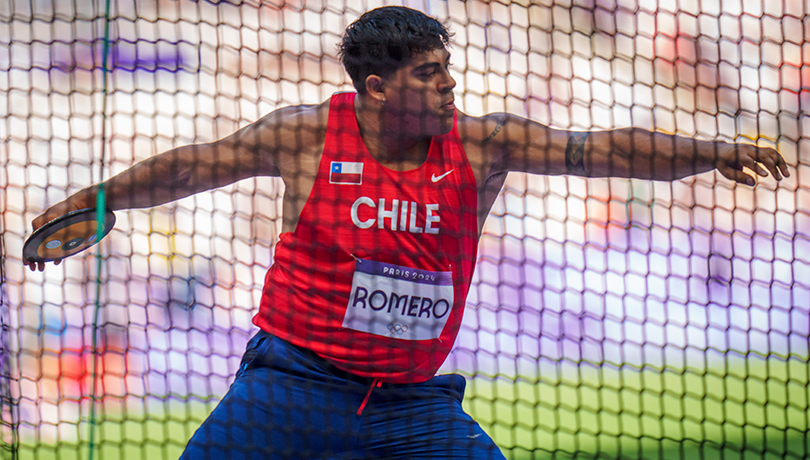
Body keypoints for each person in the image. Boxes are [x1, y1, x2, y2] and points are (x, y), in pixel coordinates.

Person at [28, 6, 789, 459]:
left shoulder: (483, 143)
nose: (449, 83)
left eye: (448, 69)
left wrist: (713, 152)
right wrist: (104, 199)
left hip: (412, 405)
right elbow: (196, 166)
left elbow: (599, 151)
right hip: (292, 386)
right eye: (429, 73)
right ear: (378, 87)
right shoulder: (306, 136)